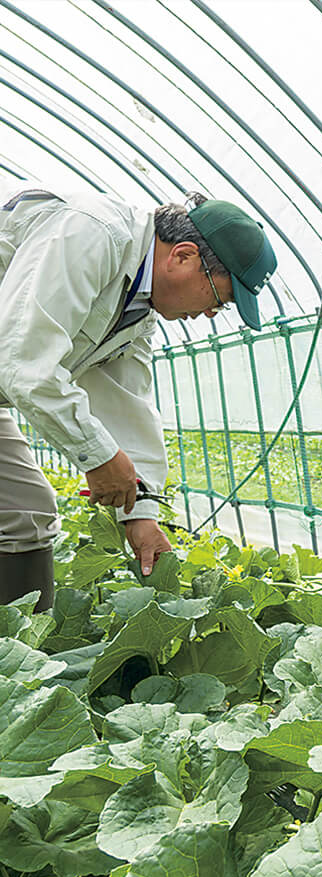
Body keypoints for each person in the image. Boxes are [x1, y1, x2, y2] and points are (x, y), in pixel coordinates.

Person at [0, 184, 277, 610]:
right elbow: (23, 360)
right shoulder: (91, 232)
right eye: (218, 300)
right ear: (183, 256)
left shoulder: (139, 314)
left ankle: (18, 656)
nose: (209, 315)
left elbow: (127, 408)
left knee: (27, 515)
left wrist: (141, 516)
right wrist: (99, 457)